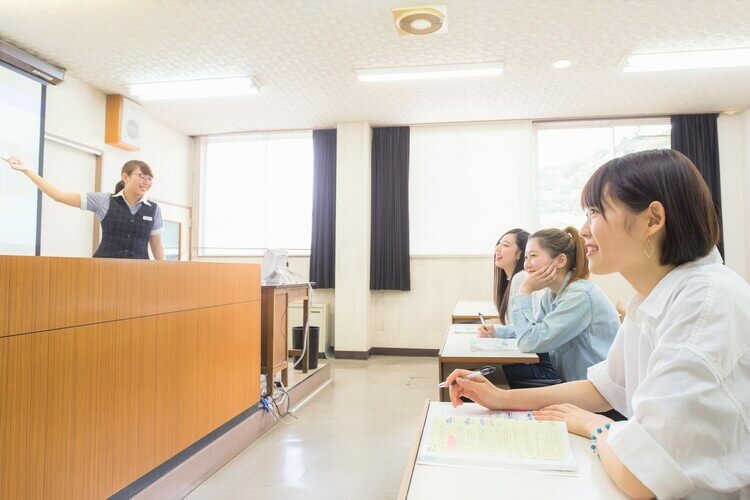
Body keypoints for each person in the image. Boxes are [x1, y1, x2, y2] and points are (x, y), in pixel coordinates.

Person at [445, 149, 750, 499]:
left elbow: (640, 477)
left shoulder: (704, 305)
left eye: (595, 212)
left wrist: (592, 424)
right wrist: (501, 399)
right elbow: (603, 387)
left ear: (653, 220)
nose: (585, 229)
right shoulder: (655, 297)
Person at [479, 227, 620, 384]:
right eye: (525, 257)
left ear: (560, 261)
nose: (526, 264)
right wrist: (497, 332)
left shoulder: (579, 295)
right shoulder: (552, 293)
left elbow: (529, 342)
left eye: (533, 256)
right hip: (568, 381)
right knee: (486, 374)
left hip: (595, 391)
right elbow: (536, 327)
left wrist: (525, 290)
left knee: (490, 378)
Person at [3, 156, 164, 259]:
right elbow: (59, 195)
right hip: (103, 269)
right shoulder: (103, 200)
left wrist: (162, 271)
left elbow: (156, 244)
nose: (146, 182)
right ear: (125, 177)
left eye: (150, 179)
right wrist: (27, 171)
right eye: (142, 176)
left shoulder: (154, 209)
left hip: (140, 272)